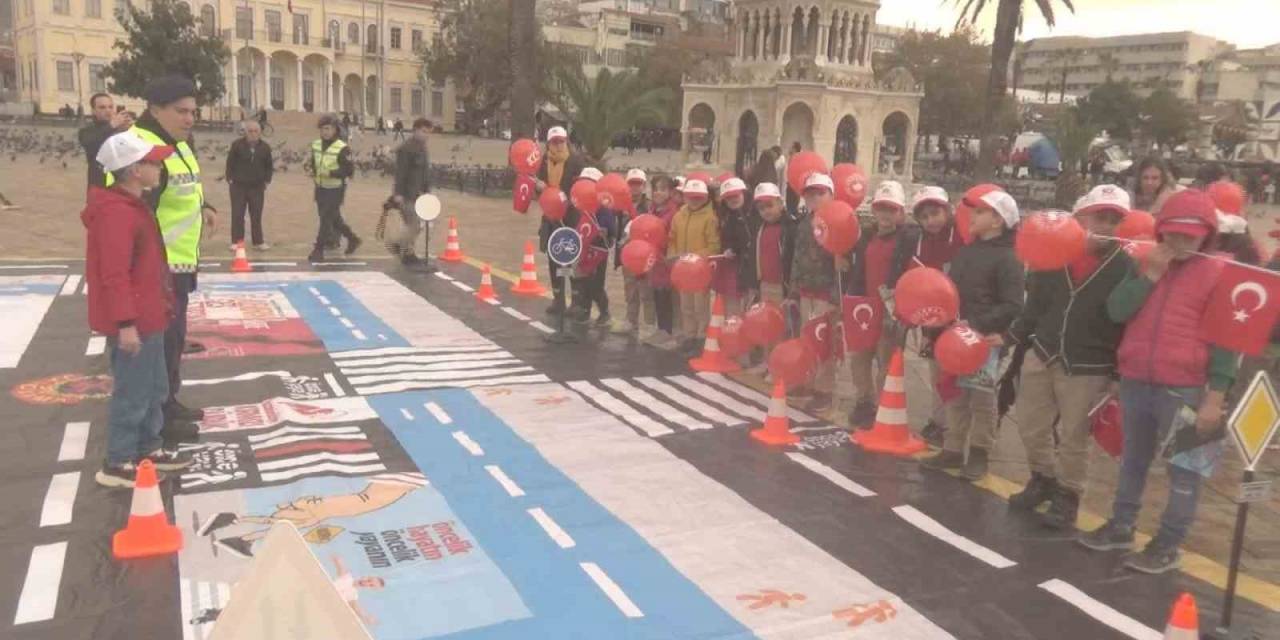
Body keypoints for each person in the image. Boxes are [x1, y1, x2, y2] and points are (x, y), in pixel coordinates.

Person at [1078, 189, 1237, 574]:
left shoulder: (1220, 274)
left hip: (1186, 388)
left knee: (1186, 470)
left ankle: (1168, 542)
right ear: (1161, 231)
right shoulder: (1144, 262)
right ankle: (1122, 524)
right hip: (1137, 381)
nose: (1180, 243)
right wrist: (1149, 275)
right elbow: (1117, 311)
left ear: (1207, 235)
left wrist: (1215, 396)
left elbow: (1227, 342)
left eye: (1190, 235)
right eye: (1172, 234)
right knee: (1132, 460)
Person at [999, 185, 1134, 529]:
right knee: (1030, 424)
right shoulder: (1053, 253)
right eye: (1098, 216)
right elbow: (1036, 306)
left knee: (1075, 434)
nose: (1105, 225)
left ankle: (1068, 494)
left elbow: (1128, 323)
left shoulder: (1126, 266)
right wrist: (1010, 338)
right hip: (1043, 351)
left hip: (1088, 364)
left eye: (1113, 219)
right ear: (1080, 217)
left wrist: (1118, 374)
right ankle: (1042, 478)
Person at [84, 130, 193, 488]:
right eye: (152, 161)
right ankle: (118, 460)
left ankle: (149, 448)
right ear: (134, 170)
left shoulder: (133, 205)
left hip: (150, 315)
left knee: (155, 386)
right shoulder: (117, 212)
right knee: (133, 391)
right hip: (136, 320)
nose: (159, 166)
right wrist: (126, 323)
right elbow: (115, 275)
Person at [122, 76, 216, 440]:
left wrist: (204, 205)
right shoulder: (144, 146)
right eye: (181, 111)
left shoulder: (177, 143)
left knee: (173, 339)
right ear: (155, 109)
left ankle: (168, 401)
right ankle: (157, 415)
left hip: (179, 260)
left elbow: (184, 186)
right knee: (159, 341)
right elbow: (135, 211)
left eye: (193, 111)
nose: (190, 118)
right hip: (157, 266)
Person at [921, 190, 1024, 481]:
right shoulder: (967, 251)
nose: (973, 216)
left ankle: (980, 453)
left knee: (982, 399)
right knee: (955, 395)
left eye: (980, 212)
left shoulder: (1009, 258)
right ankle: (953, 449)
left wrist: (976, 324)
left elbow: (1013, 305)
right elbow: (951, 291)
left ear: (998, 220)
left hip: (984, 341)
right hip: (955, 337)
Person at [890, 186, 963, 444]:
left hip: (960, 319)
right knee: (936, 373)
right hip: (931, 320)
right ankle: (939, 421)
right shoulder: (917, 241)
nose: (931, 221)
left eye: (936, 213)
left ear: (947, 210)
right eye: (925, 216)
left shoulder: (961, 238)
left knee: (959, 376)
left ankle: (957, 427)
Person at [845, 180, 910, 428]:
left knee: (886, 361)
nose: (885, 214)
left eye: (892, 209)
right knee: (859, 358)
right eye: (881, 208)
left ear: (901, 213)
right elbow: (857, 269)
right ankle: (864, 401)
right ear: (873, 210)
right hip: (864, 307)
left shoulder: (908, 240)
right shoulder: (866, 237)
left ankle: (884, 405)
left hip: (891, 311)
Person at [789, 173, 848, 412]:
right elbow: (797, 256)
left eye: (820, 193)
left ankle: (825, 390)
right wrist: (793, 290)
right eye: (810, 193)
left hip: (827, 292)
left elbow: (844, 266)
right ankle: (808, 381)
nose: (815, 197)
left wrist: (837, 297)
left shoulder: (840, 221)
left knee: (826, 343)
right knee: (808, 340)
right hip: (806, 291)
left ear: (832, 195)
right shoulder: (805, 222)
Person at [535, 126, 586, 316]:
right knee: (553, 259)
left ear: (566, 141)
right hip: (550, 217)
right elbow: (537, 189)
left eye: (561, 141)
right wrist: (540, 188)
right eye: (554, 141)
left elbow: (582, 189)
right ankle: (558, 299)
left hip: (571, 218)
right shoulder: (543, 162)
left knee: (571, 260)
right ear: (548, 143)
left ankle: (575, 301)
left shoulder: (576, 161)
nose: (557, 144)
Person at [667, 178, 720, 355]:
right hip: (683, 269)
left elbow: (713, 245)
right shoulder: (678, 216)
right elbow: (672, 239)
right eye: (691, 197)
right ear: (685, 197)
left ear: (705, 197)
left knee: (700, 306)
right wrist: (674, 257)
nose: (694, 200)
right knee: (686, 305)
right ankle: (689, 336)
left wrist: (695, 257)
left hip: (699, 270)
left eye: (698, 197)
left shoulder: (711, 217)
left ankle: (701, 338)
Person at [304, 114, 362, 263]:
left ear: (335, 129)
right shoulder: (316, 144)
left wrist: (331, 173)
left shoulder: (342, 148)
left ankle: (318, 249)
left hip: (336, 189)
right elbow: (314, 163)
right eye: (323, 129)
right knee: (333, 218)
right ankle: (353, 238)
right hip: (320, 187)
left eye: (328, 128)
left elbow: (348, 171)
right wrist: (310, 168)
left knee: (325, 218)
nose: (325, 132)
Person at [389, 118, 434, 270]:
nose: (426, 135)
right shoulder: (407, 148)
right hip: (406, 193)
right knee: (414, 225)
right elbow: (400, 172)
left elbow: (424, 172)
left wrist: (427, 191)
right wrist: (398, 193)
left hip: (418, 194)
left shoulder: (422, 147)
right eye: (423, 131)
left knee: (415, 225)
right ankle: (398, 245)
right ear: (415, 130)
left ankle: (408, 254)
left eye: (428, 132)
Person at [571, 168, 614, 327]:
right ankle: (584, 310)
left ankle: (604, 312)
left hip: (598, 252)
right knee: (582, 281)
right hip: (584, 249)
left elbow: (611, 232)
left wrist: (605, 232)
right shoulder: (579, 205)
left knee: (596, 285)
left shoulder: (605, 207)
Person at [612, 169, 653, 336]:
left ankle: (650, 325)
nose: (635, 187)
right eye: (632, 183)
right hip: (627, 254)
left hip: (644, 255)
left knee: (646, 292)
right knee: (630, 291)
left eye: (638, 184)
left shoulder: (650, 206)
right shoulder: (620, 205)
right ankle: (631, 322)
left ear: (644, 186)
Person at [224, 120, 273, 250]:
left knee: (256, 215)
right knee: (237, 214)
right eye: (250, 131)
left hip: (257, 187)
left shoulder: (265, 148)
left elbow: (269, 166)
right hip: (238, 186)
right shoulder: (236, 145)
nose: (253, 134)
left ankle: (258, 242)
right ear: (245, 132)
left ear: (260, 132)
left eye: (255, 131)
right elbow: (230, 163)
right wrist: (230, 179)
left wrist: (267, 180)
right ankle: (236, 242)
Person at [644, 175, 680, 349]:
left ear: (671, 192)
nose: (658, 192)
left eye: (663, 189)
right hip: (655, 260)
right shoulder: (652, 209)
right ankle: (661, 329)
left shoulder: (673, 213)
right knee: (657, 294)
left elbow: (672, 237)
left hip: (666, 260)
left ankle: (668, 331)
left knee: (666, 297)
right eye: (655, 188)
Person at [78, 93, 134, 192]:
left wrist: (130, 131)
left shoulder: (120, 129)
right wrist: (112, 126)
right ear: (93, 111)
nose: (108, 110)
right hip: (99, 187)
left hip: (123, 187)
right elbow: (91, 144)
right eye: (102, 107)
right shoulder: (87, 131)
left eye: (110, 107)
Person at [714, 178, 753, 316]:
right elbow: (726, 239)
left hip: (750, 267)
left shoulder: (754, 214)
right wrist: (727, 249)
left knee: (749, 304)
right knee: (732, 304)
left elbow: (749, 240)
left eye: (735, 195)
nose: (733, 200)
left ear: (744, 194)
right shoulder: (727, 217)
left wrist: (734, 249)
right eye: (728, 198)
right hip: (733, 267)